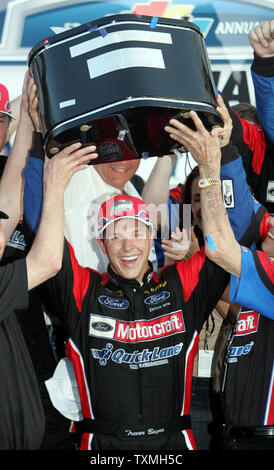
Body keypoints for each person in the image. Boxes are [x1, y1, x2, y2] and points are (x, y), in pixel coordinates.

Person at [165, 109, 274, 450]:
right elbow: (241, 210)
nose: (268, 226)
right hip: (234, 433)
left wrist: (211, 167)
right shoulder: (263, 275)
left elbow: (220, 246)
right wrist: (224, 150)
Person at [0, 71, 97, 449]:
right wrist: (54, 185)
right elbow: (47, 262)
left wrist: (28, 122)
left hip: (27, 347)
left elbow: (6, 213)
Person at [24, 77, 156, 273]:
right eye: (113, 151)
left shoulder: (134, 195)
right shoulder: (74, 174)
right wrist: (38, 129)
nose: (123, 161)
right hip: (71, 298)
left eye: (132, 153)